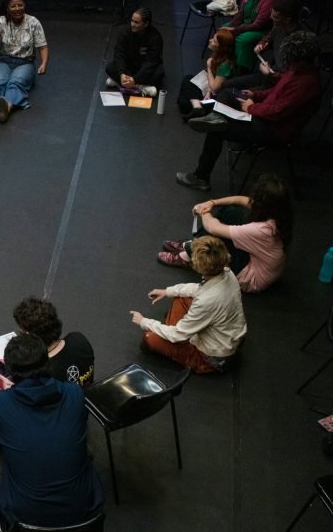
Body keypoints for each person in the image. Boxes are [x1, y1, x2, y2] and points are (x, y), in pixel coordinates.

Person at [0, 334, 104, 528]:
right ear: (47, 362)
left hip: (23, 521)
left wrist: (9, 396)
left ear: (11, 373)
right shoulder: (74, 393)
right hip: (85, 513)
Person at [176, 30, 321, 192]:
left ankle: (201, 177)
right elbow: (276, 91)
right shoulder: (296, 71)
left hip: (273, 129)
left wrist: (251, 107)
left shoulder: (306, 84)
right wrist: (255, 95)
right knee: (228, 92)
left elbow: (278, 111)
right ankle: (214, 116)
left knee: (217, 131)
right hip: (264, 113)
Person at [157, 173, 293, 293]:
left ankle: (187, 255)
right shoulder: (280, 214)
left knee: (220, 238)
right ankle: (192, 247)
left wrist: (203, 211)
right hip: (257, 261)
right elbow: (242, 200)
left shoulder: (263, 231)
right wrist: (212, 202)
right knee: (232, 211)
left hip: (250, 279)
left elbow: (212, 228)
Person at [130, 236, 247, 373]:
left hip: (212, 358)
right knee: (182, 297)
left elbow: (177, 335)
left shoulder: (207, 300)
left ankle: (192, 357)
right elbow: (199, 288)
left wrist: (144, 321)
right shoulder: (227, 272)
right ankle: (174, 330)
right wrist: (168, 292)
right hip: (227, 338)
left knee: (149, 339)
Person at [0, 0, 49, 124]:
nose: (17, 9)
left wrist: (44, 63)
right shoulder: (0, 21)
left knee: (16, 81)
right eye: (13, 6)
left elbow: (43, 46)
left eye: (20, 5)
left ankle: (7, 107)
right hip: (4, 60)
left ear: (24, 5)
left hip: (25, 63)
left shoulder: (33, 22)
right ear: (7, 9)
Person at [219, 0, 304, 99]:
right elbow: (268, 38)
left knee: (230, 95)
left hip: (278, 84)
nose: (271, 17)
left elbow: (293, 79)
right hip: (268, 74)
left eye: (276, 16)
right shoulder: (278, 26)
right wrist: (261, 44)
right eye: (271, 14)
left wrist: (271, 75)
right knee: (225, 85)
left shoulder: (298, 44)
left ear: (287, 20)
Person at [221, 0, 286, 72]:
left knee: (242, 40)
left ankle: (241, 71)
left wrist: (236, 30)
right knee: (223, 31)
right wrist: (231, 25)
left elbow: (258, 25)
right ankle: (224, 64)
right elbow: (241, 13)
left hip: (261, 30)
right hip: (247, 24)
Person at [176, 29, 236, 120]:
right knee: (188, 80)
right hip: (209, 93)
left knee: (184, 99)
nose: (210, 40)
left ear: (221, 47)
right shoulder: (217, 55)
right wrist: (208, 91)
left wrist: (209, 67)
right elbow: (211, 83)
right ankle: (196, 107)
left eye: (214, 41)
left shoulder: (225, 65)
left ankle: (197, 108)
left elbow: (215, 88)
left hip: (217, 98)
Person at [105, 7, 164, 97]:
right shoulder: (124, 32)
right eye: (132, 21)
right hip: (129, 66)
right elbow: (119, 54)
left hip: (144, 69)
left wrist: (135, 79)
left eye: (136, 22)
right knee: (109, 67)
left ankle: (121, 84)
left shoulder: (155, 38)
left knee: (159, 73)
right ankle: (140, 87)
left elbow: (151, 62)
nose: (132, 24)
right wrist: (121, 74)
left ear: (146, 24)